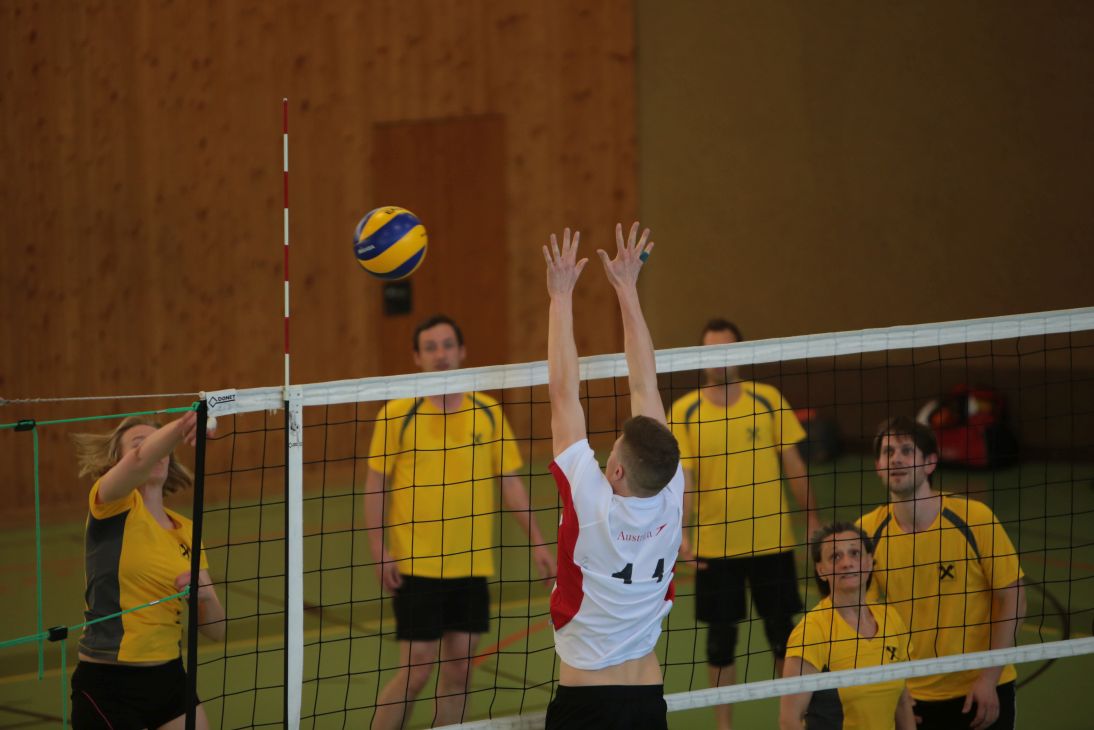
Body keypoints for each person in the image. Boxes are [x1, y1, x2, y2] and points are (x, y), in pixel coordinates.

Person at [363, 314, 556, 729]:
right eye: (430, 347)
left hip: (472, 566)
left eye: (448, 345)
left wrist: (539, 542)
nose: (441, 354)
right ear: (417, 357)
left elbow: (510, 483)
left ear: (462, 351)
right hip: (416, 566)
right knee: (415, 671)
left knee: (460, 671)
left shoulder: (487, 412)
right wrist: (379, 548)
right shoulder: (397, 413)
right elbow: (375, 485)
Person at [542, 222, 684, 730]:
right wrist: (627, 288)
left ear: (617, 469)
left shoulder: (591, 503)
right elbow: (646, 386)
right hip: (647, 699)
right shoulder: (670, 488)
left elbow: (564, 392)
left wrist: (561, 296)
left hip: (587, 705)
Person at [668, 318, 820, 730]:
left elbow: (794, 464)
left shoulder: (768, 400)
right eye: (711, 352)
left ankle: (792, 721)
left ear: (742, 353)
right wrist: (681, 533)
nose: (720, 359)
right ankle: (725, 727)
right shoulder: (684, 411)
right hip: (714, 548)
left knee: (784, 637)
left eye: (728, 350)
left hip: (773, 542)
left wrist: (812, 518)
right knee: (720, 643)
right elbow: (685, 479)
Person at [858, 416, 1025, 730]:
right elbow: (860, 618)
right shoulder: (866, 533)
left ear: (930, 463)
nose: (896, 459)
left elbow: (1013, 598)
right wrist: (892, 689)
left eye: (907, 450)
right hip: (910, 697)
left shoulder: (974, 517)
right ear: (878, 466)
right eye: (888, 452)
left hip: (981, 689)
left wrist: (989, 678)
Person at [70, 411, 225, 730]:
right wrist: (186, 423)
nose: (153, 450)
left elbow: (217, 631)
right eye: (140, 443)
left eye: (159, 443)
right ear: (118, 463)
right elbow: (141, 459)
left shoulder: (187, 531)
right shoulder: (111, 504)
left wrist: (204, 597)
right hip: (109, 684)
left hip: (169, 678)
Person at [781, 523, 915, 730]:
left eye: (854, 553)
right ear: (821, 570)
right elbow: (789, 720)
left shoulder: (891, 618)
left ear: (869, 562)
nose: (847, 563)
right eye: (835, 556)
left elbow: (903, 703)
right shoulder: (811, 632)